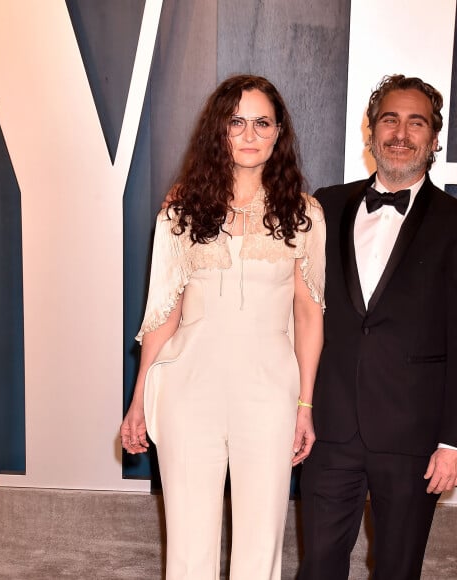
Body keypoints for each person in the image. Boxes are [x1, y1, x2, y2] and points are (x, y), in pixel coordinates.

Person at [120, 74, 325, 580]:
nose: (250, 134)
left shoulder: (304, 215)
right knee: (188, 546)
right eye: (237, 122)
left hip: (272, 392)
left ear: (279, 134)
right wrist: (139, 400)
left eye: (262, 122)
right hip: (188, 388)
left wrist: (305, 406)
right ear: (219, 131)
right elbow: (162, 313)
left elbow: (309, 315)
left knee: (262, 544)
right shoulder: (180, 213)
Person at [298, 74, 457, 580]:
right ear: (371, 131)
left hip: (415, 435)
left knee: (397, 568)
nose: (401, 133)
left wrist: (456, 442)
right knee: (318, 565)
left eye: (416, 122)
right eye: (390, 119)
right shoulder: (327, 204)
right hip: (331, 427)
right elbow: (295, 305)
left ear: (434, 139)